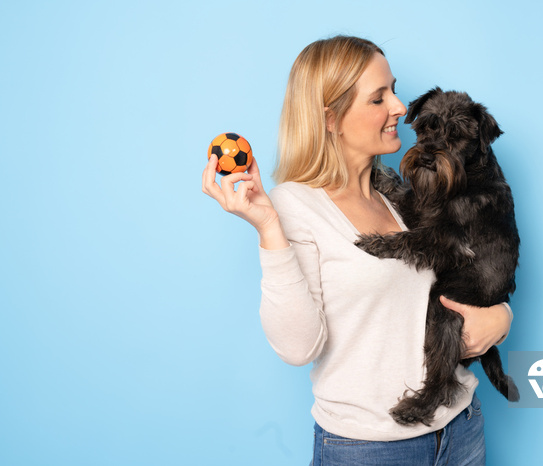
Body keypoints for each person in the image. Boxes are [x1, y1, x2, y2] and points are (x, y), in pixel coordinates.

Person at [202, 35, 513, 466]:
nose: (401, 107)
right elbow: (298, 347)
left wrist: (501, 316)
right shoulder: (295, 205)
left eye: (395, 89)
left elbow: (472, 260)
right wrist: (269, 229)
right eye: (378, 98)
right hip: (369, 448)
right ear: (331, 118)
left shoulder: (404, 195)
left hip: (460, 430)